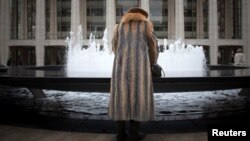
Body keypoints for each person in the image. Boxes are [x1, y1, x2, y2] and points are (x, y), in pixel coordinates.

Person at [108, 7, 158, 141]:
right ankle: (133, 133)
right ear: (142, 16)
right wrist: (152, 62)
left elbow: (114, 46)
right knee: (139, 97)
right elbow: (152, 45)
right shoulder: (146, 25)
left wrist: (122, 56)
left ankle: (120, 133)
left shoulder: (118, 27)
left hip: (120, 67)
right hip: (140, 67)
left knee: (121, 98)